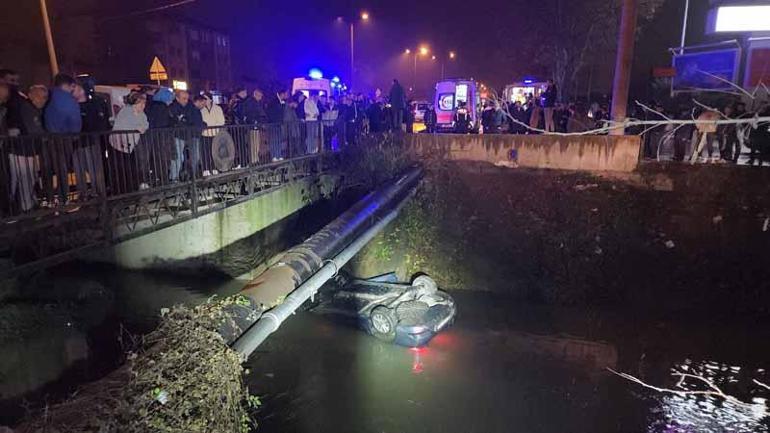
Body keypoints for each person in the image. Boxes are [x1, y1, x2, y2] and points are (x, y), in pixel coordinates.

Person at [8, 85, 47, 212]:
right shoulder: (29, 109)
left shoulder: (29, 107)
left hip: (23, 151)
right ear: (31, 95)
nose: (42, 100)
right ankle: (25, 207)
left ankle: (18, 206)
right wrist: (45, 136)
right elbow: (34, 130)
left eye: (44, 98)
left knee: (21, 179)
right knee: (25, 178)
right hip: (23, 151)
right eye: (39, 97)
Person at [109, 92, 148, 194]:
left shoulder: (142, 114)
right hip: (119, 144)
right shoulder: (126, 111)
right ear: (134, 104)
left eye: (144, 104)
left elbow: (145, 124)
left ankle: (131, 189)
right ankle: (121, 190)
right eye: (140, 104)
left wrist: (140, 127)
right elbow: (124, 125)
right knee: (122, 168)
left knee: (131, 167)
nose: (143, 106)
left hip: (130, 144)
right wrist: (137, 126)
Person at [168, 90, 193, 182]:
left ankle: (175, 176)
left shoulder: (185, 107)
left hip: (183, 135)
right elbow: (177, 121)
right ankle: (173, 177)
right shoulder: (173, 108)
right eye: (184, 98)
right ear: (177, 98)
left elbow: (188, 120)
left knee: (180, 157)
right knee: (177, 157)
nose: (186, 101)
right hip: (176, 135)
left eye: (187, 98)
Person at [200, 92, 226, 175]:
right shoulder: (201, 109)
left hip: (215, 134)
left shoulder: (217, 108)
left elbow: (221, 121)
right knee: (205, 152)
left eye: (206, 99)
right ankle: (206, 169)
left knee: (215, 152)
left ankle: (215, 167)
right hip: (204, 134)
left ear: (210, 99)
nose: (204, 101)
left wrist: (213, 127)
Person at [266, 89, 288, 160]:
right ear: (282, 94)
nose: (286, 96)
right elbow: (271, 112)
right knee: (274, 140)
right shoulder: (274, 100)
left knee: (278, 139)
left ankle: (278, 155)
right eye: (285, 94)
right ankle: (274, 155)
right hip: (273, 123)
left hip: (278, 123)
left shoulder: (280, 102)